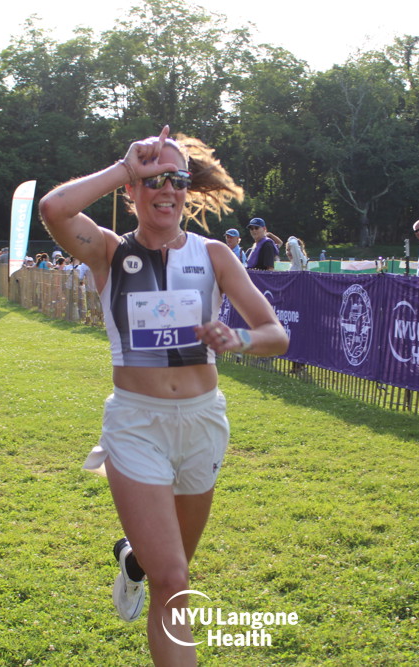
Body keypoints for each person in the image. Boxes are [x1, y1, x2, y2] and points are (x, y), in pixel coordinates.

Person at [38, 125, 289, 664]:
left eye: (176, 179)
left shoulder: (214, 254)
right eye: (152, 179)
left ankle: (136, 559)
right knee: (173, 581)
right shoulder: (109, 251)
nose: (167, 189)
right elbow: (55, 209)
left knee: (173, 570)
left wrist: (239, 339)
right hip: (137, 424)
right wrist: (124, 167)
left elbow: (276, 334)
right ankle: (147, 563)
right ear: (132, 190)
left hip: (202, 424)